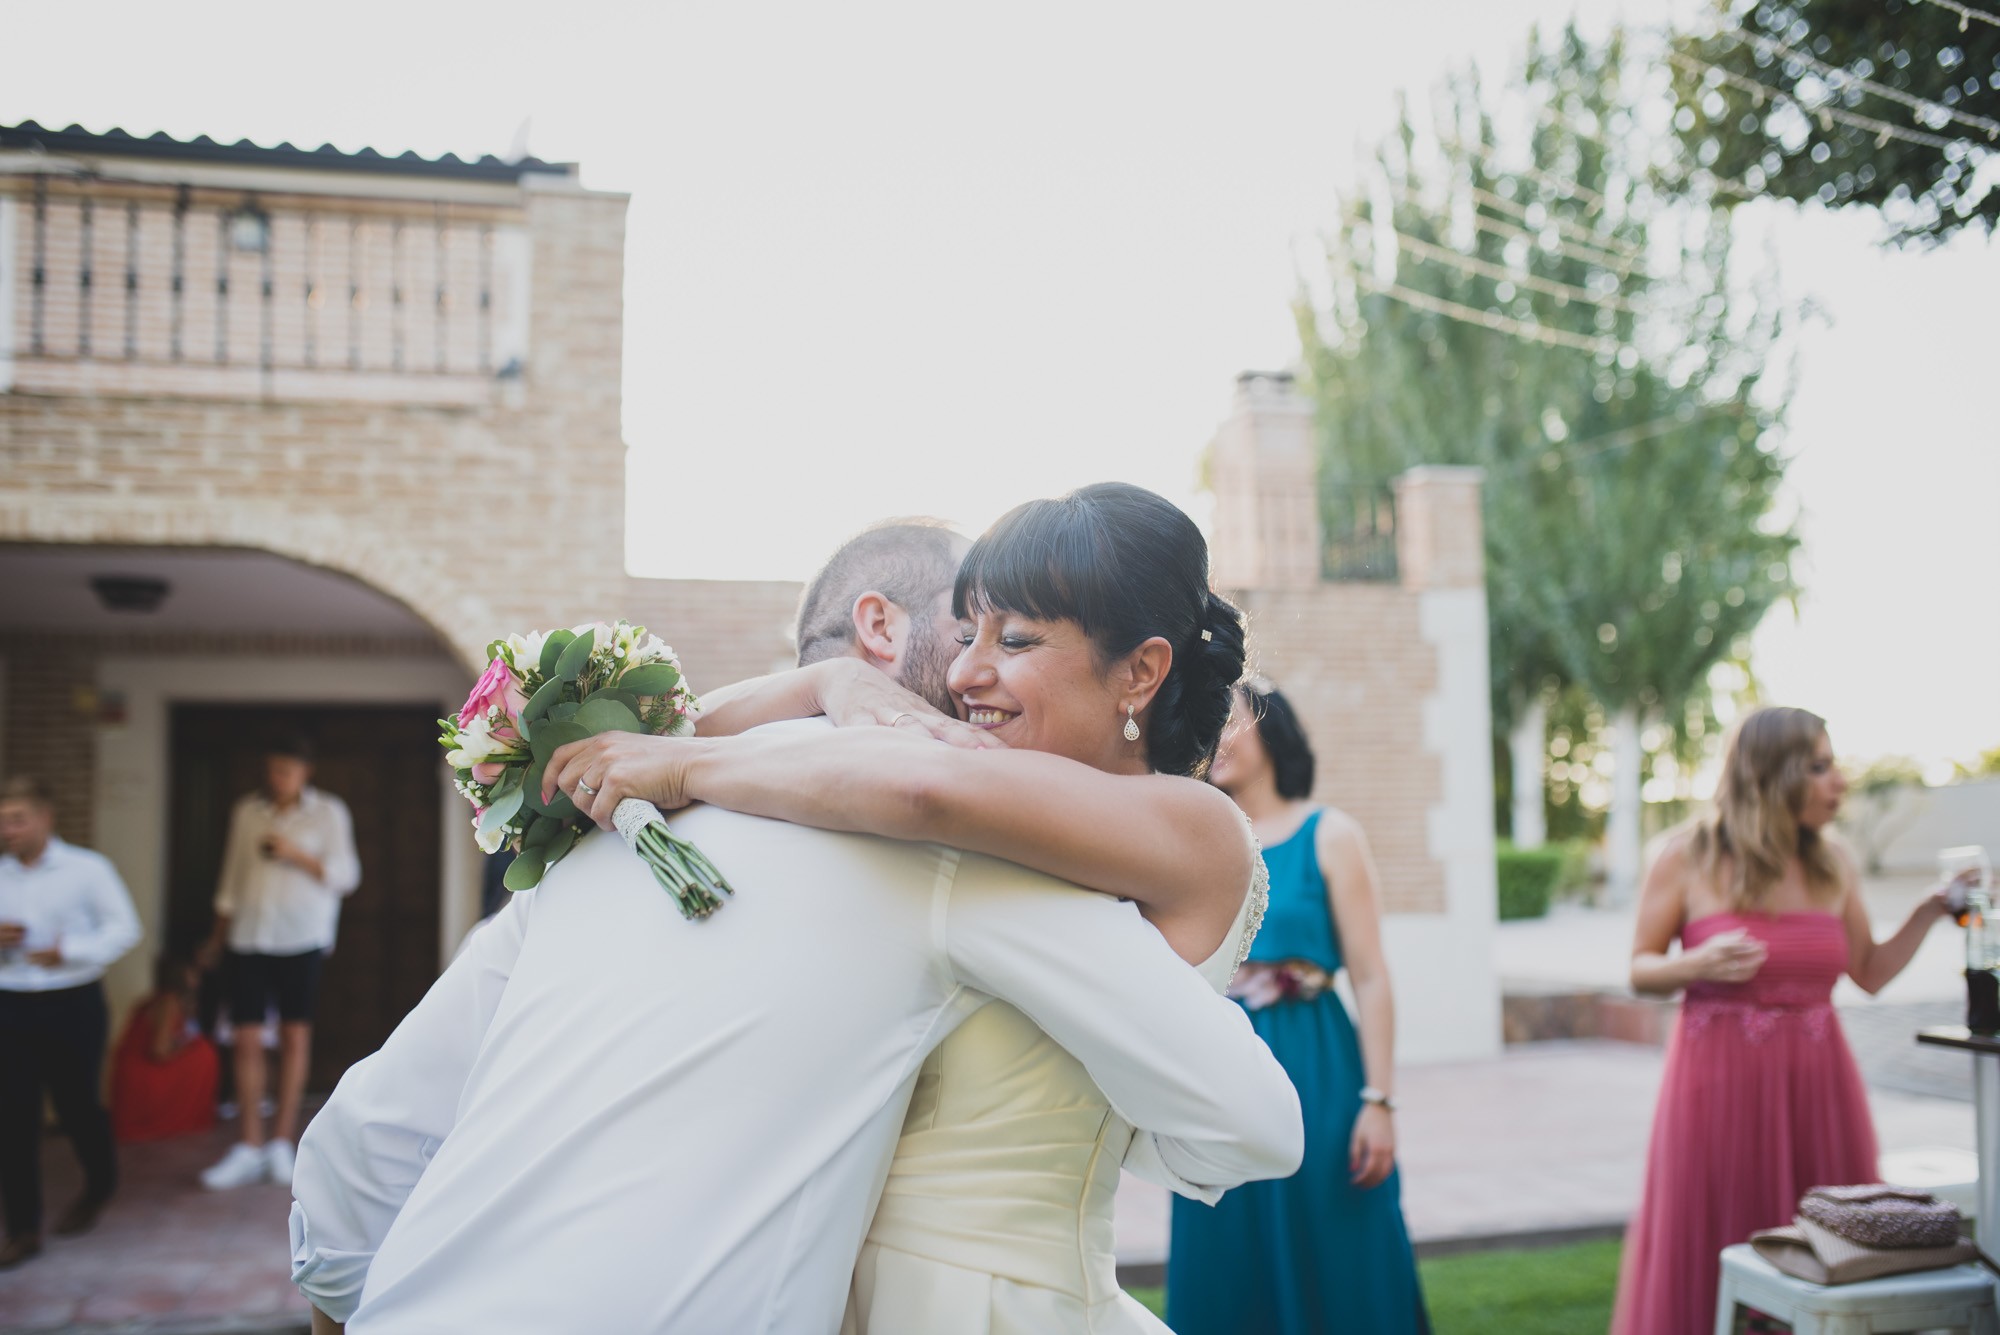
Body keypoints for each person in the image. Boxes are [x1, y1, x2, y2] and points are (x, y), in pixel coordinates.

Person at [289, 500, 1301, 1334]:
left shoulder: (1132, 828)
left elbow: (924, 795)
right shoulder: (926, 839)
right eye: (968, 631)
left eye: (1012, 637)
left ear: (1140, 671)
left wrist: (691, 757)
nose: (962, 674)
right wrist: (807, 692)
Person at [1611, 706, 1953, 1334]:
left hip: (1818, 1087)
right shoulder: (1687, 855)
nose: (1839, 782)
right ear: (1773, 773)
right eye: (1820, 767)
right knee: (1717, 1233)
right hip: (1718, 1084)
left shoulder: (1834, 862)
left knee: (1832, 1245)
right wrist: (1700, 963)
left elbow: (1869, 972)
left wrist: (1929, 912)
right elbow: (1639, 969)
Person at [1166, 679, 1431, 1333]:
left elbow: (1370, 976)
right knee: (1226, 1252)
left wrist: (1380, 1100)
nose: (1214, 740)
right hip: (1217, 1075)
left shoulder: (1330, 834)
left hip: (1317, 1070)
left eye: (1228, 722)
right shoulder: (1192, 839)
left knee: (1338, 1244)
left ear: (1271, 727)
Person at [199, 736, 360, 1191]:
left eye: (286, 771)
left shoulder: (329, 812)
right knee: (246, 1039)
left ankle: (281, 1142)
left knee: (293, 1035)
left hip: (301, 938)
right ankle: (250, 1143)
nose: (278, 780)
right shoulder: (246, 812)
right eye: (272, 771)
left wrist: (297, 854)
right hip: (248, 936)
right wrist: (216, 938)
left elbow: (346, 877)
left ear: (306, 772)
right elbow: (230, 881)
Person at [0, 775, 142, 1269]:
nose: (8, 830)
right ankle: (23, 1228)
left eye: (17, 819)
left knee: (78, 1105)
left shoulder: (89, 870)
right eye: (2, 822)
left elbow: (125, 929)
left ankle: (99, 1186)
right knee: (13, 1117)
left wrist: (68, 953)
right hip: (10, 1003)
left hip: (74, 1002)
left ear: (45, 818)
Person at [110, 954, 219, 1144]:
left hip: (132, 1075)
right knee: (204, 1052)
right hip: (145, 1076)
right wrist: (187, 1046)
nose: (198, 979)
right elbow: (159, 1051)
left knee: (202, 1049)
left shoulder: (157, 999)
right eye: (193, 973)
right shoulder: (168, 1002)